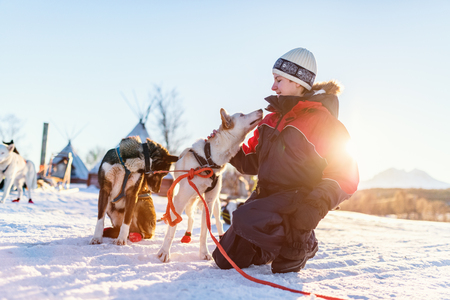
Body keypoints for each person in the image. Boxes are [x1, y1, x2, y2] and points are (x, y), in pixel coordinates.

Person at [212, 47, 359, 273]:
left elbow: (346, 173)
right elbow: (250, 162)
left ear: (297, 82)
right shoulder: (270, 120)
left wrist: (315, 206)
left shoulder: (322, 122)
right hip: (266, 197)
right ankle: (271, 248)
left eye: (278, 80)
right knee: (225, 258)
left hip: (299, 198)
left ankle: (302, 240)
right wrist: (226, 144)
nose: (273, 86)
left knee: (243, 217)